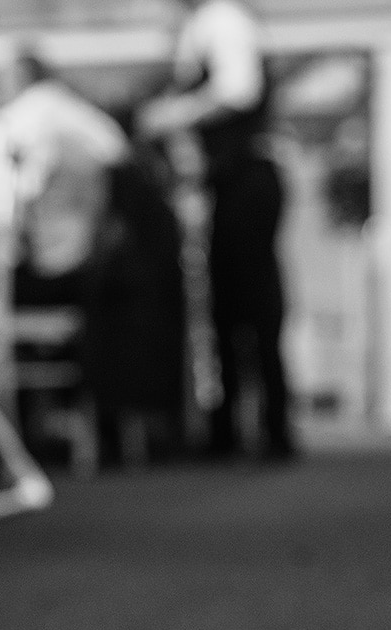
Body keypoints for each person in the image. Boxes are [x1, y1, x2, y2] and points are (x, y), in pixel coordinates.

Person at [0, 48, 187, 468]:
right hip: (136, 242)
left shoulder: (34, 110)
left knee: (14, 301)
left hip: (121, 248)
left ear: (21, 77)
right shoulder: (68, 111)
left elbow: (13, 189)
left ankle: (10, 439)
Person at [138, 0, 296, 461]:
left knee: (255, 306)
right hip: (233, 184)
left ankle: (271, 432)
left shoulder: (220, 19)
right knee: (230, 307)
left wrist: (174, 114)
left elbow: (238, 90)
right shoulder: (204, 27)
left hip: (248, 181)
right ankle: (233, 431)